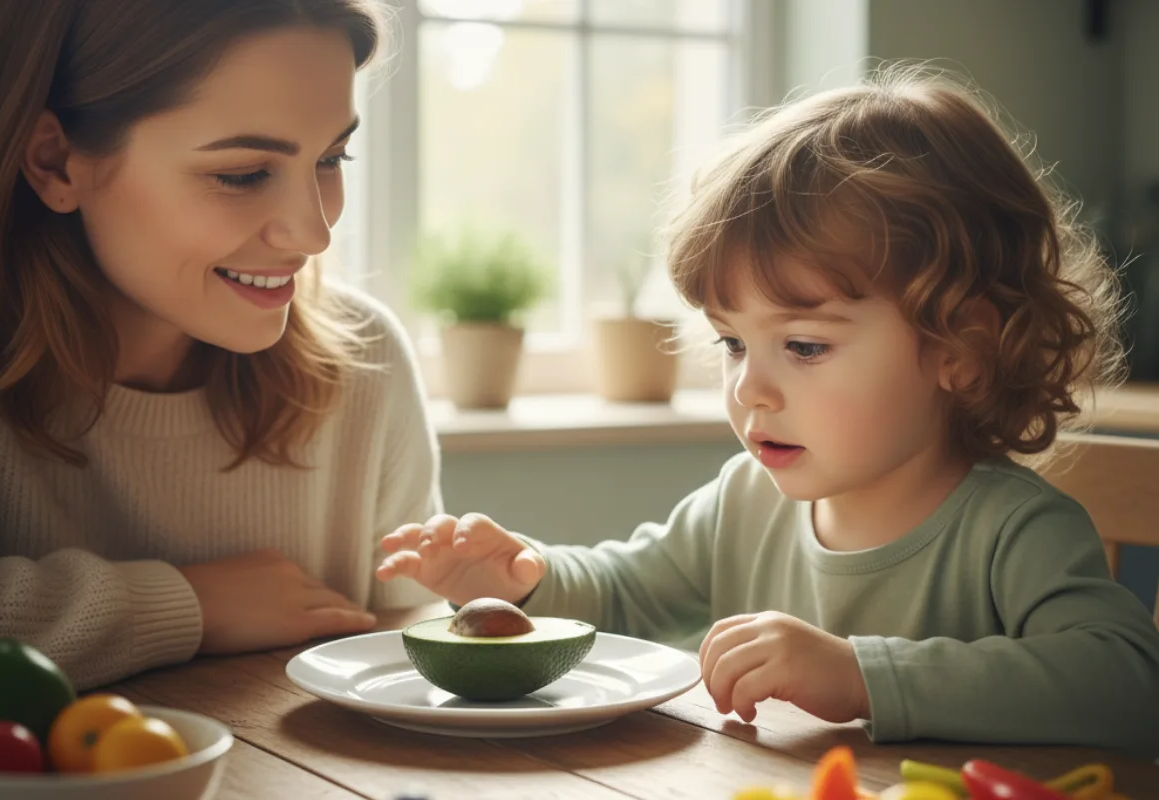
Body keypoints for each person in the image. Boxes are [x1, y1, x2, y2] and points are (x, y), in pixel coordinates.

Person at [377, 68, 1159, 757]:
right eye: (732, 343)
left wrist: (861, 676)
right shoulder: (741, 501)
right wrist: (523, 582)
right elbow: (623, 593)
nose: (750, 389)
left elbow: (1127, 686)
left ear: (961, 348)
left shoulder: (1011, 532)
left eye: (805, 347)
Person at [0, 0, 438, 690]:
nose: (313, 234)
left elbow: (411, 655)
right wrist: (188, 606)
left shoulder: (366, 362)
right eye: (243, 174)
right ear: (56, 162)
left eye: (331, 158)